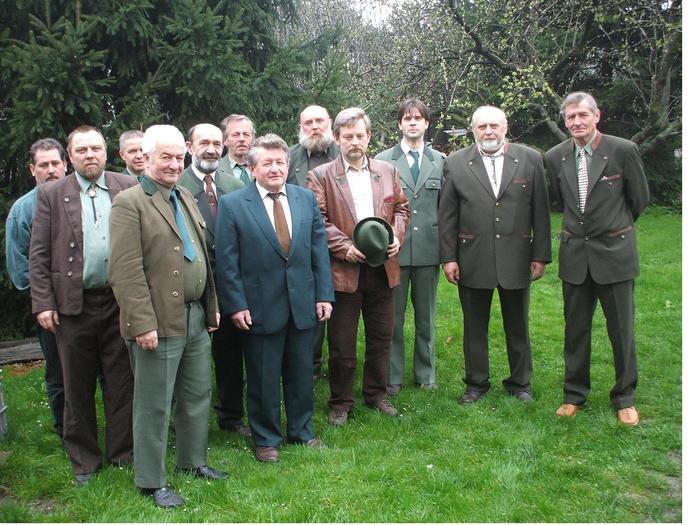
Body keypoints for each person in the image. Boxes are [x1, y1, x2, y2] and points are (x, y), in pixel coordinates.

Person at [109, 124, 228, 508]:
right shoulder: (130, 203)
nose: (175, 164)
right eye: (166, 157)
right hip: (157, 321)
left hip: (194, 317)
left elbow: (200, 256)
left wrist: (210, 308)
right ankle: (151, 480)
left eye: (179, 157)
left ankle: (193, 461)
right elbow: (125, 271)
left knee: (196, 394)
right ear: (145, 158)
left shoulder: (185, 196)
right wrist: (142, 324)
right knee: (154, 403)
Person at [216, 133, 334, 462]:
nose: (275, 169)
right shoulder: (233, 205)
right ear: (253, 168)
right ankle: (266, 438)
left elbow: (318, 251)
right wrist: (236, 304)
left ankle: (302, 431)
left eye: (280, 162)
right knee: (263, 376)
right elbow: (227, 261)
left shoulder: (304, 199)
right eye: (267, 163)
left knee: (301, 373)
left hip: (302, 302)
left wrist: (324, 294)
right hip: (259, 306)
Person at [29, 126, 135, 485]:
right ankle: (85, 461)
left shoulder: (127, 186)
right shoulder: (51, 194)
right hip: (73, 306)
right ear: (70, 156)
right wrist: (43, 302)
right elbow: (39, 253)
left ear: (106, 152)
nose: (90, 155)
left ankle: (123, 453)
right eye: (82, 150)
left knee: (122, 383)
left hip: (119, 302)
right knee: (76, 385)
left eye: (96, 148)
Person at [544, 92, 649, 426]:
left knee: (622, 331)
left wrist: (612, 228)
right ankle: (574, 395)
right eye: (570, 117)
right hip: (575, 256)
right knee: (575, 331)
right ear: (565, 121)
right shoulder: (555, 156)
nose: (577, 122)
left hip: (615, 255)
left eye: (582, 115)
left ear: (596, 116)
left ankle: (625, 397)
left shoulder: (622, 150)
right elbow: (559, 201)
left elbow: (639, 200)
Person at [439, 105, 551, 405]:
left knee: (518, 324)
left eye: (494, 125)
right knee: (474, 325)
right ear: (473, 130)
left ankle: (520, 383)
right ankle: (476, 383)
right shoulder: (455, 163)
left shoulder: (530, 159)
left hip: (517, 256)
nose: (488, 131)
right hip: (472, 257)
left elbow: (540, 210)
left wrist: (540, 254)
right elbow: (447, 215)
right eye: (482, 126)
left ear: (505, 127)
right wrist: (449, 258)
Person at [306, 107, 409, 427]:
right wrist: (345, 248)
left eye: (360, 136)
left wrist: (396, 235)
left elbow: (402, 209)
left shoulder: (387, 171)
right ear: (336, 139)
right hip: (344, 272)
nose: (355, 142)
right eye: (348, 136)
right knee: (342, 343)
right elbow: (318, 221)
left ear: (369, 137)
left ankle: (376, 394)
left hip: (383, 268)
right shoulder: (321, 176)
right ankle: (341, 402)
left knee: (382, 336)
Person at [179, 123, 250, 437]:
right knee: (186, 355)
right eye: (203, 142)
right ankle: (183, 419)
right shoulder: (178, 184)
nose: (210, 149)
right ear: (189, 146)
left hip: (230, 280)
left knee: (230, 351)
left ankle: (230, 415)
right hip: (192, 282)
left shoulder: (234, 184)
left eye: (216, 143)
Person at [375, 98, 444, 395]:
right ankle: (392, 375)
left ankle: (426, 374)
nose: (413, 123)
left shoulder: (440, 160)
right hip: (395, 252)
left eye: (418, 118)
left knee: (426, 318)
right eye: (407, 118)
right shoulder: (382, 160)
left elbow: (446, 208)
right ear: (400, 124)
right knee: (393, 318)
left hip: (429, 251)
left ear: (426, 124)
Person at [5, 138, 67, 437]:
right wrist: (47, 302)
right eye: (44, 165)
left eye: (56, 163)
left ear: (65, 165)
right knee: (59, 373)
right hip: (52, 309)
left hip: (93, 303)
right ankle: (65, 430)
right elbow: (20, 270)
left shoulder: (85, 199)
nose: (51, 170)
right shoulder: (23, 211)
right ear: (33, 170)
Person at [287, 104, 340, 380]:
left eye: (320, 120)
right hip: (302, 247)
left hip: (342, 243)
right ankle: (311, 366)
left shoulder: (344, 153)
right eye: (308, 122)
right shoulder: (289, 157)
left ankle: (341, 363)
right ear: (301, 127)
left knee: (342, 311)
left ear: (329, 123)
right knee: (311, 307)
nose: (315, 126)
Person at [219, 114, 255, 185]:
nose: (242, 139)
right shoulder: (215, 170)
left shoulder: (263, 168)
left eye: (246, 134)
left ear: (253, 139)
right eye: (235, 135)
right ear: (225, 140)